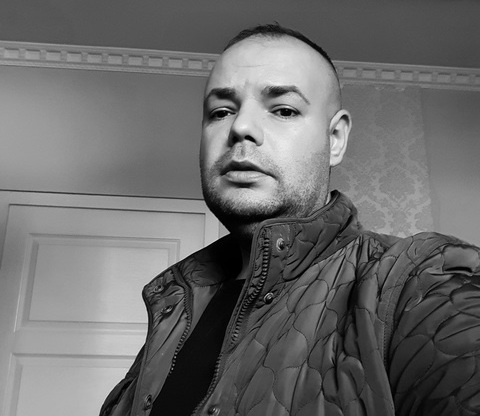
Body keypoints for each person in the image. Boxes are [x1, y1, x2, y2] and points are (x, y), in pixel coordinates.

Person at [100, 24, 480, 416]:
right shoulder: (173, 305)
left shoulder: (422, 280)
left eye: (284, 110)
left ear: (335, 139)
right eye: (220, 112)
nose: (240, 128)